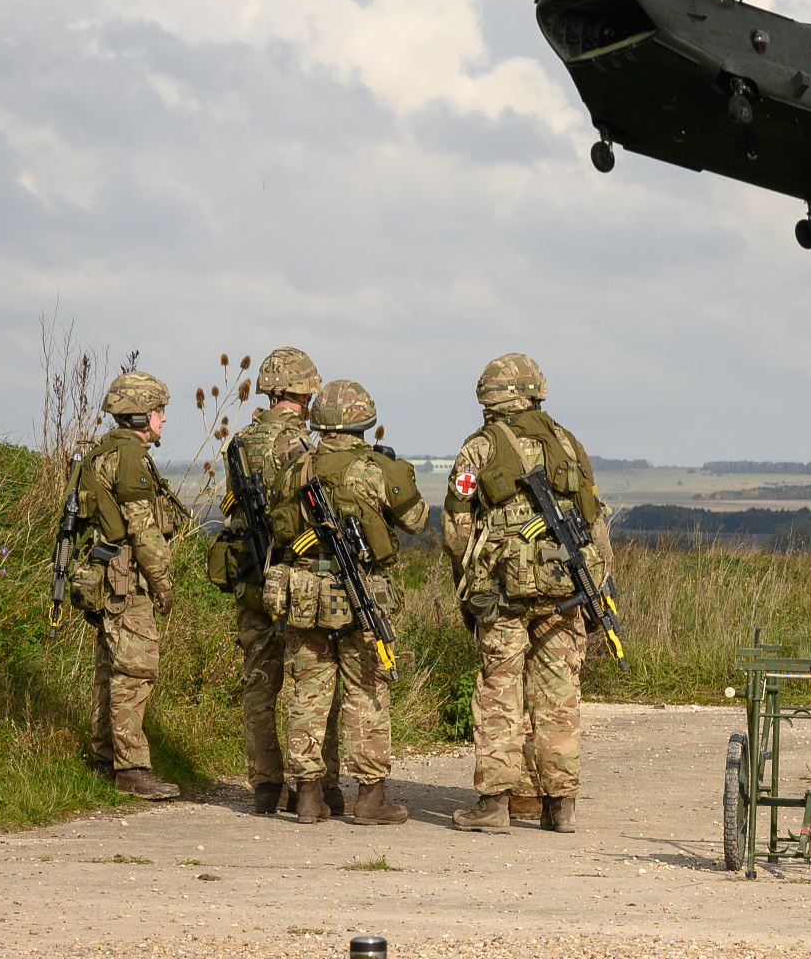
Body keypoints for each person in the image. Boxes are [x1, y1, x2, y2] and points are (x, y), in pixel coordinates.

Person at [443, 354, 615, 834]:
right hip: (566, 590)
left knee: (500, 692)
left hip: (503, 595)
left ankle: (495, 805)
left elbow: (456, 530)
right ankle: (561, 808)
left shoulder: (478, 448)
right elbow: (595, 522)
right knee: (559, 697)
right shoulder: (567, 443)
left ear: (489, 399)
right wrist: (597, 582)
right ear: (536, 392)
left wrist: (471, 575)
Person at [275, 380, 425, 824]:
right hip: (359, 594)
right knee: (366, 691)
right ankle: (370, 798)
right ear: (365, 422)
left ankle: (308, 796)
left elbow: (276, 521)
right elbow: (417, 520)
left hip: (304, 594)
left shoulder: (295, 469)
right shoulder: (374, 469)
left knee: (308, 692)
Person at [219, 347, 341, 817]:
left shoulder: (239, 443)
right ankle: (320, 786)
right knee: (313, 679)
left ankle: (266, 786)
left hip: (250, 574)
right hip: (294, 580)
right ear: (304, 393)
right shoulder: (301, 446)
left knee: (259, 681)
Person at [77, 369, 186, 801]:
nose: (163, 419)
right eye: (159, 411)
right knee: (135, 672)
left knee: (110, 669)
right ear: (139, 415)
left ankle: (105, 758)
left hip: (105, 578)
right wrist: (164, 585)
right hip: (126, 580)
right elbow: (143, 532)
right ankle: (132, 768)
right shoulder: (128, 459)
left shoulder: (102, 452)